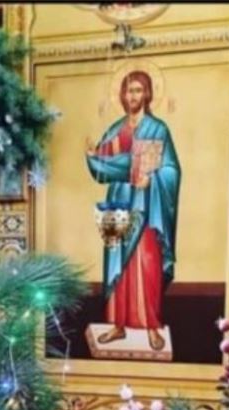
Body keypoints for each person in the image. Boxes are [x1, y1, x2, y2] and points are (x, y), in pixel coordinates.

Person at [86, 70, 180, 352]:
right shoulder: (116, 129)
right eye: (128, 91)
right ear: (122, 95)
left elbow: (172, 170)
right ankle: (117, 325)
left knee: (147, 263)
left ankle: (151, 326)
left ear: (147, 94)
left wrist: (153, 179)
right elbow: (102, 165)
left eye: (138, 90)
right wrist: (93, 155)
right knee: (117, 263)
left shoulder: (158, 129)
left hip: (148, 206)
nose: (133, 96)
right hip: (120, 202)